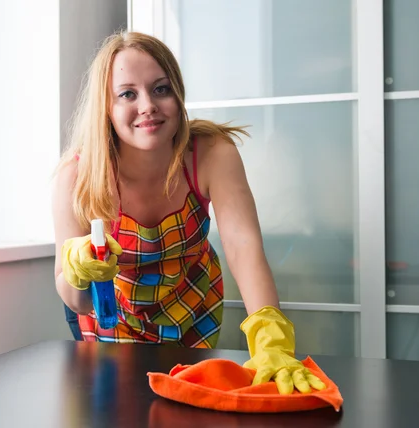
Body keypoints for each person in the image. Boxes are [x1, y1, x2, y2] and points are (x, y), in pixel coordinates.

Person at [51, 31, 325, 395]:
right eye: (127, 94)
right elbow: (77, 299)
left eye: (161, 89)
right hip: (109, 316)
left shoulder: (210, 154)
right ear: (106, 107)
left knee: (185, 407)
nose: (147, 105)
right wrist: (77, 270)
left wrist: (271, 339)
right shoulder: (76, 176)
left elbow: (244, 247)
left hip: (191, 304)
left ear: (178, 95)